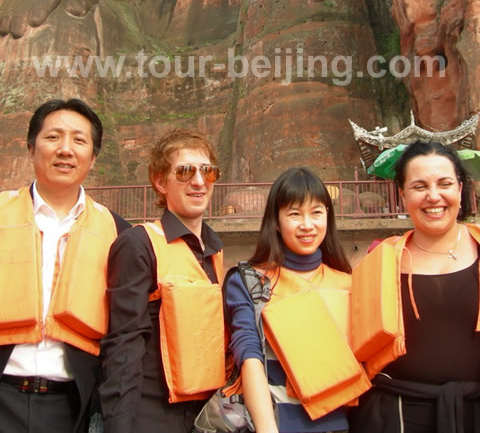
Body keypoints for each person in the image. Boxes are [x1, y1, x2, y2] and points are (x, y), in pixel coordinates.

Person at [0, 98, 130, 433]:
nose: (65, 149)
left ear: (93, 156)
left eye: (79, 140)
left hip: (73, 405)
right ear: (31, 148)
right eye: (53, 137)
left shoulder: (118, 232)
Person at [223, 167, 370, 433]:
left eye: (316, 212)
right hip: (276, 423)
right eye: (294, 214)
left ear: (328, 216)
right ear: (276, 221)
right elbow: (249, 356)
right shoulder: (249, 281)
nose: (307, 224)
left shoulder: (349, 283)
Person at [99, 128, 225, 433]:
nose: (198, 181)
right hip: (151, 416)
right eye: (184, 171)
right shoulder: (139, 243)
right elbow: (124, 344)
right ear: (160, 181)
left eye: (207, 172)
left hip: (205, 417)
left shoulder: (215, 251)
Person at [349, 140, 480, 433]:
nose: (433, 196)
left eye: (444, 183)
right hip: (395, 415)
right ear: (402, 194)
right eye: (419, 186)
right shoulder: (379, 262)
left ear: (460, 188)